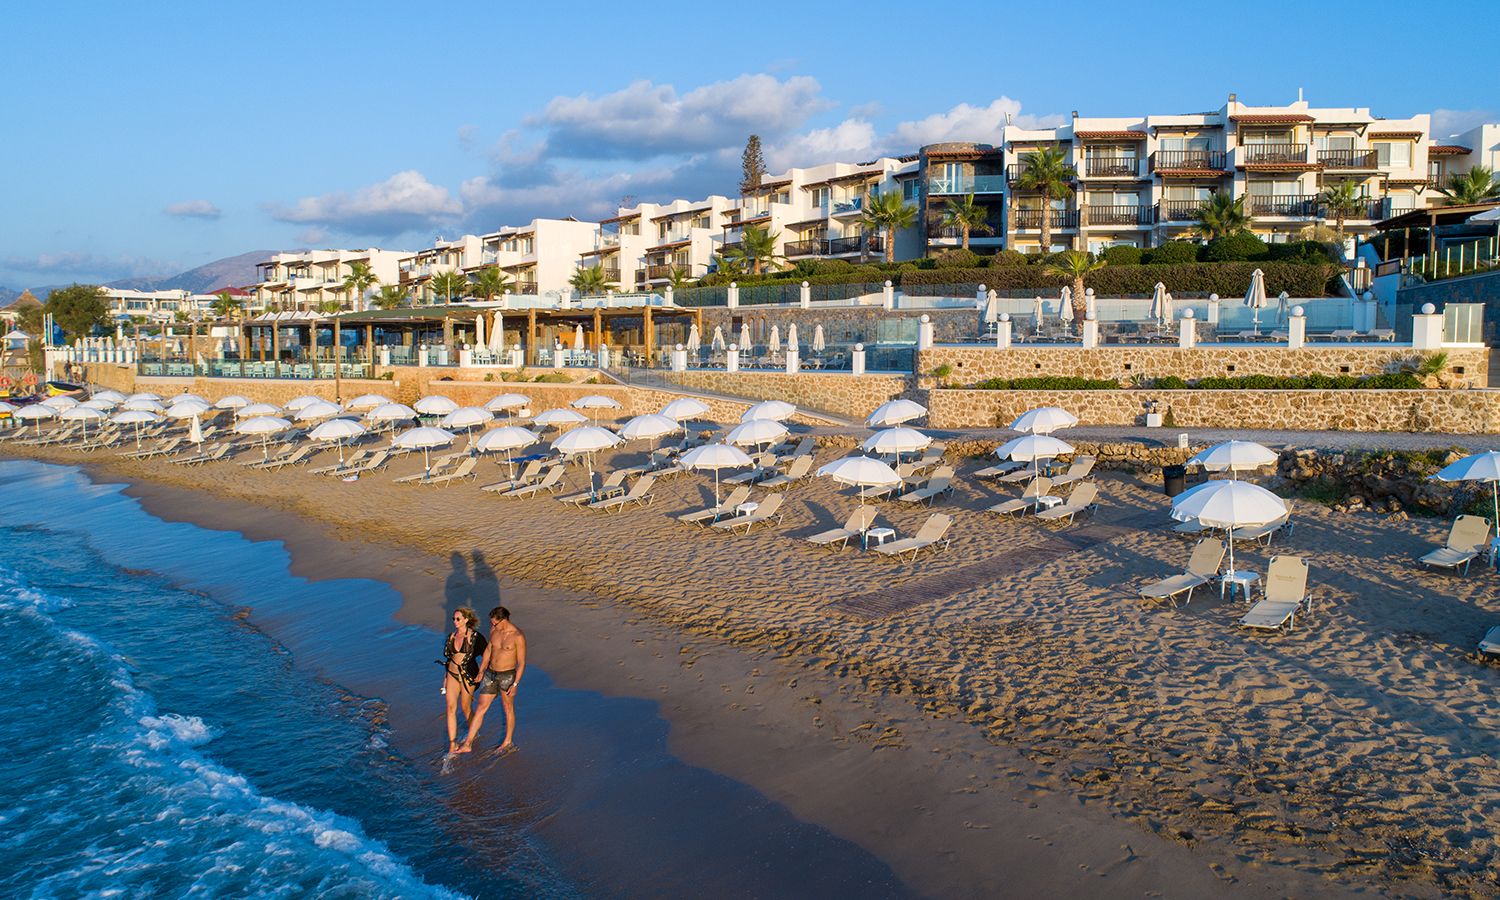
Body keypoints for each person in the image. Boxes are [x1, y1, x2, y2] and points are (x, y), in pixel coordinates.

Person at [457, 606, 526, 754]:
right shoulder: (494, 630)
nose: (493, 625)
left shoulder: (517, 636)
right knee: (481, 706)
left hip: (507, 676)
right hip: (490, 674)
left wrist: (515, 684)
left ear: (503, 620)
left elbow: (521, 663)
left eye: (495, 623)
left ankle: (507, 741)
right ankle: (468, 743)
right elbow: (488, 651)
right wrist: (481, 670)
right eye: (491, 623)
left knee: (508, 708)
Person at [442, 607, 487, 754]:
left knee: (465, 707)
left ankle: (473, 734)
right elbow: (449, 659)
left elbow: (487, 655)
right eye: (454, 619)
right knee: (450, 708)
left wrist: (481, 672)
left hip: (468, 676)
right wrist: (444, 679)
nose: (455, 621)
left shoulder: (476, 637)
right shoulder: (451, 637)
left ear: (466, 620)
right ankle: (452, 744)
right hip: (451, 675)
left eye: (458, 619)